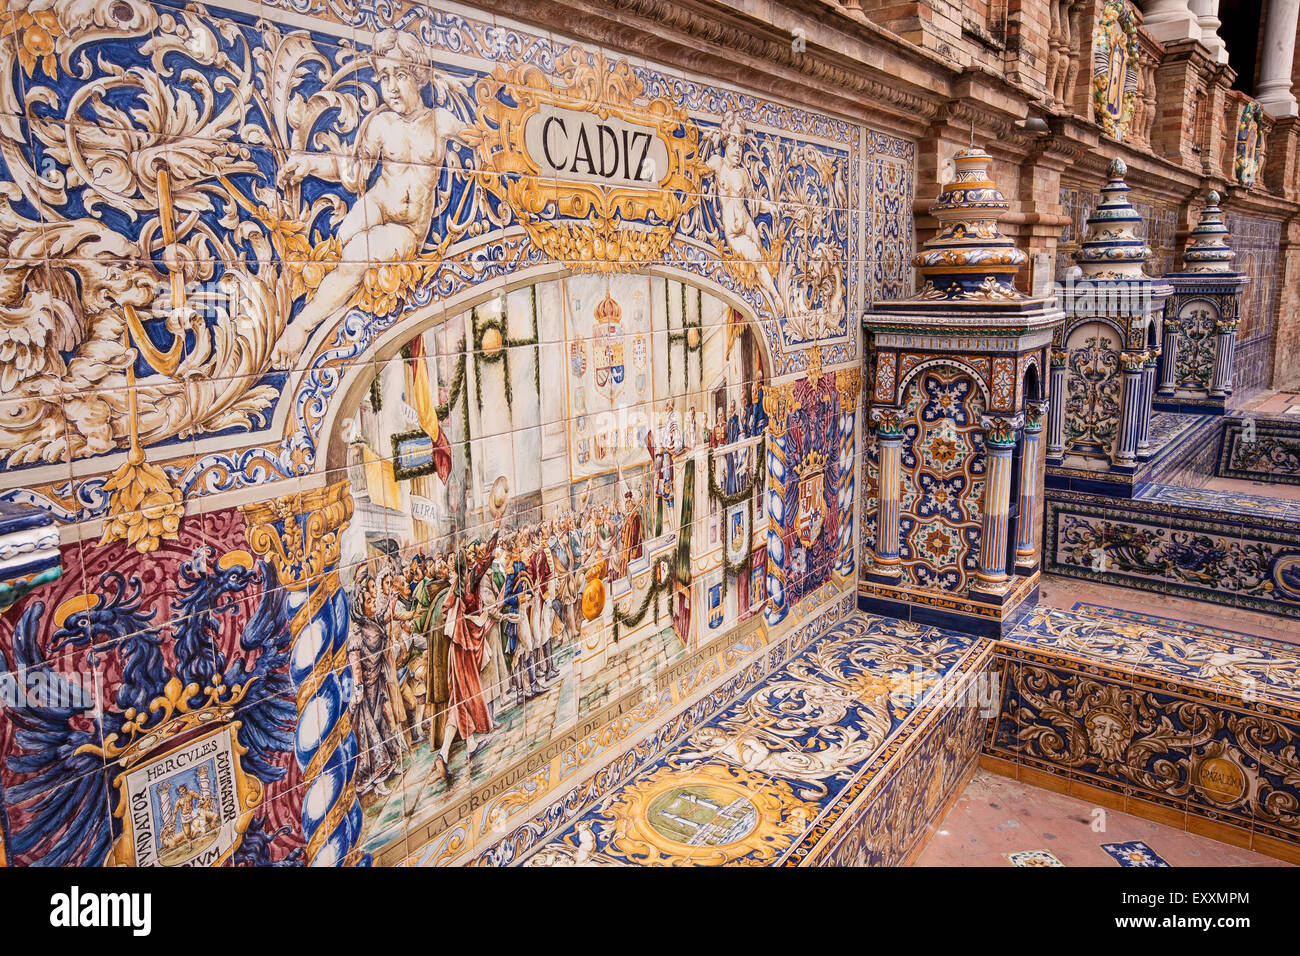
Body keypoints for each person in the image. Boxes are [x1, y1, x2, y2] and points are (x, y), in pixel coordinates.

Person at [274, 29, 473, 366]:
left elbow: (484, 142)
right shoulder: (381, 124)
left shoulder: (440, 123)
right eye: (384, 76)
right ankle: (319, 306)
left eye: (401, 75)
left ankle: (301, 328)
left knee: (356, 254)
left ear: (420, 75)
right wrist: (307, 163)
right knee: (340, 241)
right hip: (377, 203)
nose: (391, 86)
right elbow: (353, 172)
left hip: (407, 228)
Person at [429, 517, 503, 781]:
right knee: (465, 698)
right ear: (468, 566)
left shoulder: (454, 588)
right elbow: (489, 557)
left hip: (455, 652)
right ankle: (458, 748)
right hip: (465, 651)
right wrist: (495, 529)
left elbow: (445, 614)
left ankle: (451, 751)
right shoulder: (470, 580)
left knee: (457, 702)